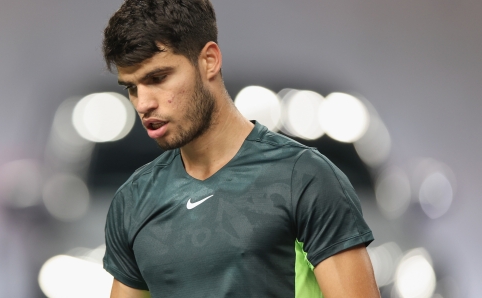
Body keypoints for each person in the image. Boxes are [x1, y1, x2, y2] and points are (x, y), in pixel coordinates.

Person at [101, 0, 380, 297]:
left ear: (209, 60)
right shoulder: (132, 202)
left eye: (158, 78)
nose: (143, 103)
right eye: (131, 87)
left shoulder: (305, 179)